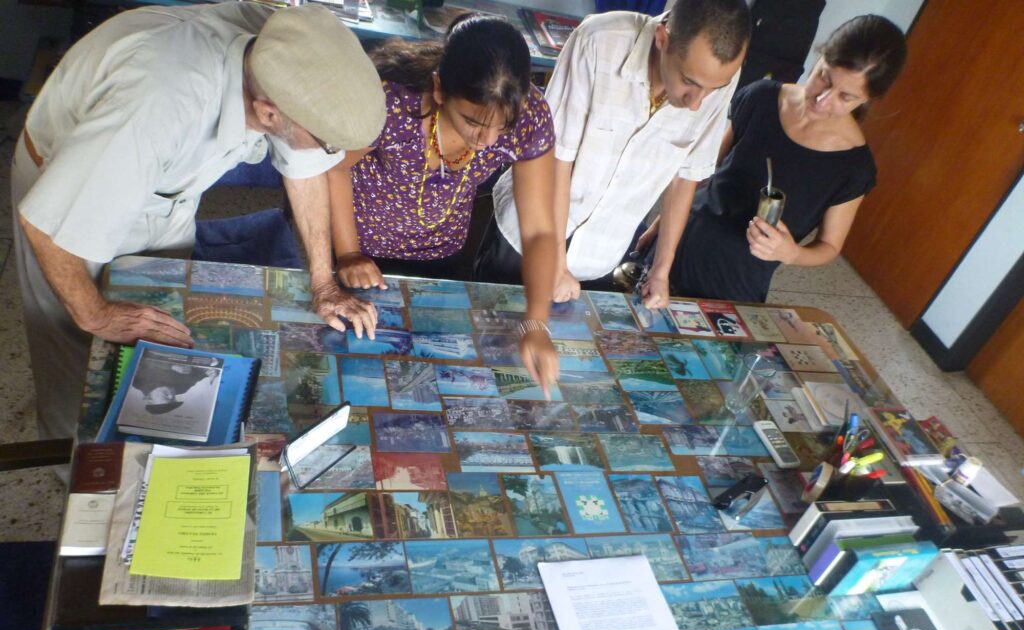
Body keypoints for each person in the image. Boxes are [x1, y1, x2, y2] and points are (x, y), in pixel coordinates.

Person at [12, 3, 386, 442]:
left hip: (167, 190)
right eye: (328, 146)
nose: (330, 157)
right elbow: (48, 228)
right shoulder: (158, 105)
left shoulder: (286, 51)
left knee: (163, 325)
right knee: (79, 355)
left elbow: (304, 168)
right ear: (268, 113)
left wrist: (324, 284)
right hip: (70, 193)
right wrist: (97, 315)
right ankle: (70, 461)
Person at [325, 16, 560, 394]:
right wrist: (348, 253)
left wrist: (536, 323)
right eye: (472, 122)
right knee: (349, 368)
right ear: (439, 89)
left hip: (439, 253)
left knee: (427, 374)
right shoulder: (392, 102)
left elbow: (540, 231)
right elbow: (333, 168)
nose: (488, 139)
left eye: (502, 126)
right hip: (360, 251)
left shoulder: (529, 116)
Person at [476, 0, 750, 308]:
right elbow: (554, 159)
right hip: (531, 234)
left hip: (601, 255)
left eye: (713, 89)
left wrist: (661, 270)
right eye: (689, 82)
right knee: (491, 321)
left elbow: (684, 178)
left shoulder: (716, 77)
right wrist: (554, 261)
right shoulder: (598, 41)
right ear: (662, 39)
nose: (697, 103)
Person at [648, 14, 907, 303]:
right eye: (824, 77)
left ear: (868, 99)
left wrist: (792, 253)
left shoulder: (854, 167)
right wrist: (663, 223)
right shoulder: (761, 97)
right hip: (682, 241)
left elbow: (829, 246)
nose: (823, 100)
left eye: (845, 97)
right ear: (820, 56)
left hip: (736, 281)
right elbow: (701, 173)